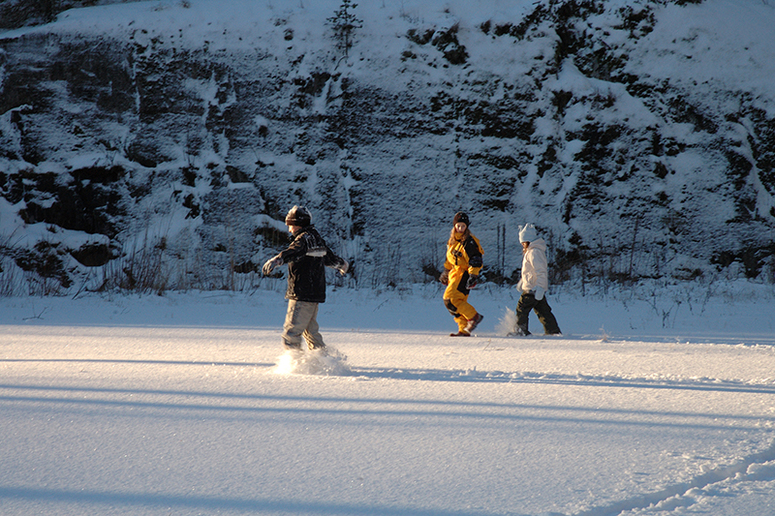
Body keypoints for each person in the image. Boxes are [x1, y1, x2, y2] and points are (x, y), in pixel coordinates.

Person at [262, 205, 349, 352]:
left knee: (291, 334)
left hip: (301, 294)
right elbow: (329, 258)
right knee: (311, 333)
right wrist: (341, 264)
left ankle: (294, 366)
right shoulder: (316, 238)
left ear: (298, 225)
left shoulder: (303, 240)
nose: (289, 229)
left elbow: (293, 252)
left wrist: (277, 260)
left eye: (291, 225)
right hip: (314, 295)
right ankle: (324, 361)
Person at [440, 212, 484, 337]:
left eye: (463, 226)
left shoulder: (469, 242)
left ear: (467, 227)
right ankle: (464, 329)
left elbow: (476, 260)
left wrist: (473, 276)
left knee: (450, 299)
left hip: (464, 274)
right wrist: (446, 272)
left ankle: (473, 317)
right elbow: (450, 260)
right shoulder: (453, 241)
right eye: (458, 226)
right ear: (454, 226)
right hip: (454, 274)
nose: (460, 228)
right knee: (452, 303)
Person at [513, 223, 561, 336]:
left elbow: (541, 271)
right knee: (543, 311)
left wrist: (540, 287)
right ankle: (553, 331)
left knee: (521, 309)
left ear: (528, 241)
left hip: (533, 288)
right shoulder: (532, 251)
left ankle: (520, 331)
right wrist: (522, 282)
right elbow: (530, 271)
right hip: (533, 287)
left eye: (523, 243)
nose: (522, 246)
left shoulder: (534, 252)